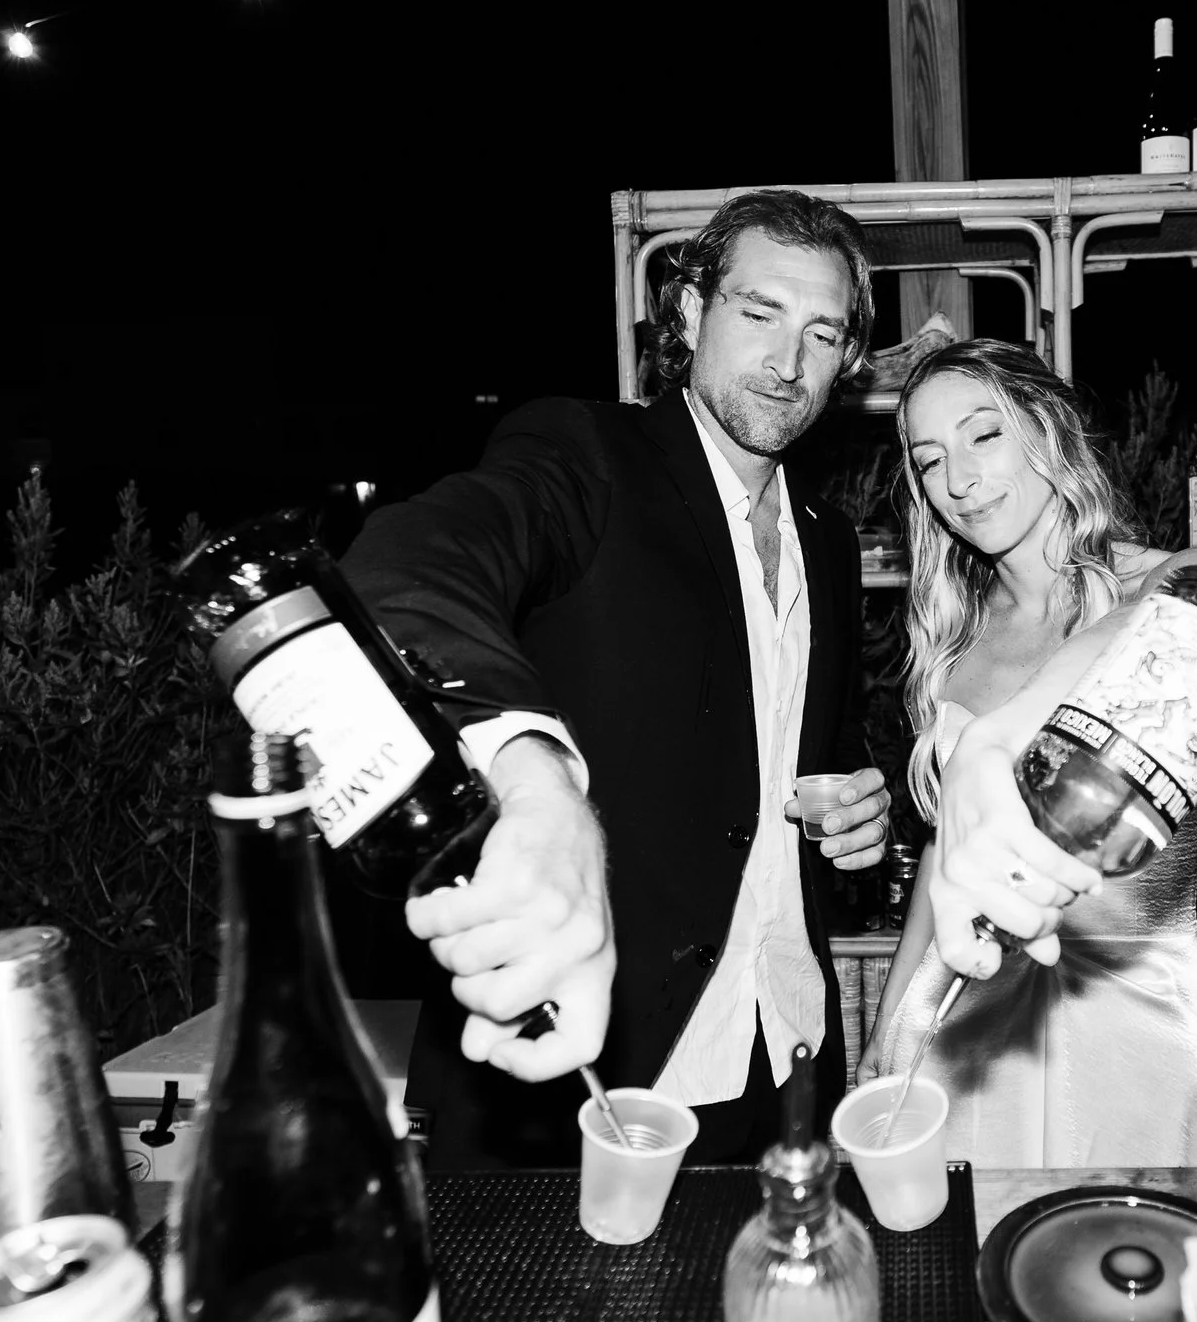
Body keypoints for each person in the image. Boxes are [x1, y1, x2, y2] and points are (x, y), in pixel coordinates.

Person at [342, 188, 893, 1169]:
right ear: (688, 314)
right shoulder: (585, 455)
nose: (786, 361)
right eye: (758, 313)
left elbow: (810, 750)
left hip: (788, 1052)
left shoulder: (831, 539)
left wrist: (860, 809)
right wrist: (532, 779)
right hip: (595, 1071)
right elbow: (404, 563)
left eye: (821, 332)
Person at [861, 339, 1197, 1168]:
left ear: (1047, 429)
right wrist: (888, 1025)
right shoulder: (955, 640)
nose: (959, 479)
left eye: (983, 435)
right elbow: (947, 855)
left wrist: (1004, 737)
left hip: (1136, 1021)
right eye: (930, 461)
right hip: (962, 1019)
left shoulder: (1166, 583)